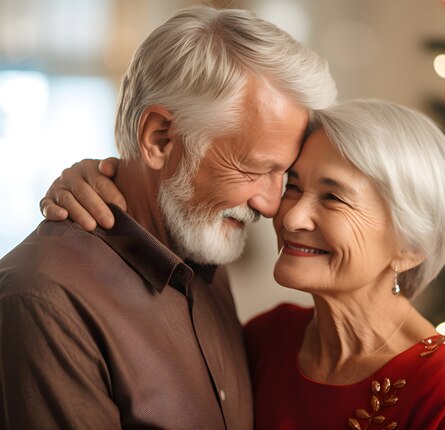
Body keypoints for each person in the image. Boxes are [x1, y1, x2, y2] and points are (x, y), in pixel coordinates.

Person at [41, 100, 445, 429]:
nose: (291, 216)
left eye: (333, 197)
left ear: (410, 246)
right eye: (293, 186)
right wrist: (99, 177)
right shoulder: (269, 339)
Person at [0, 6, 336, 430]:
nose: (271, 205)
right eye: (253, 169)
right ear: (160, 139)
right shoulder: (45, 301)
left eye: (283, 174)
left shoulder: (205, 257)